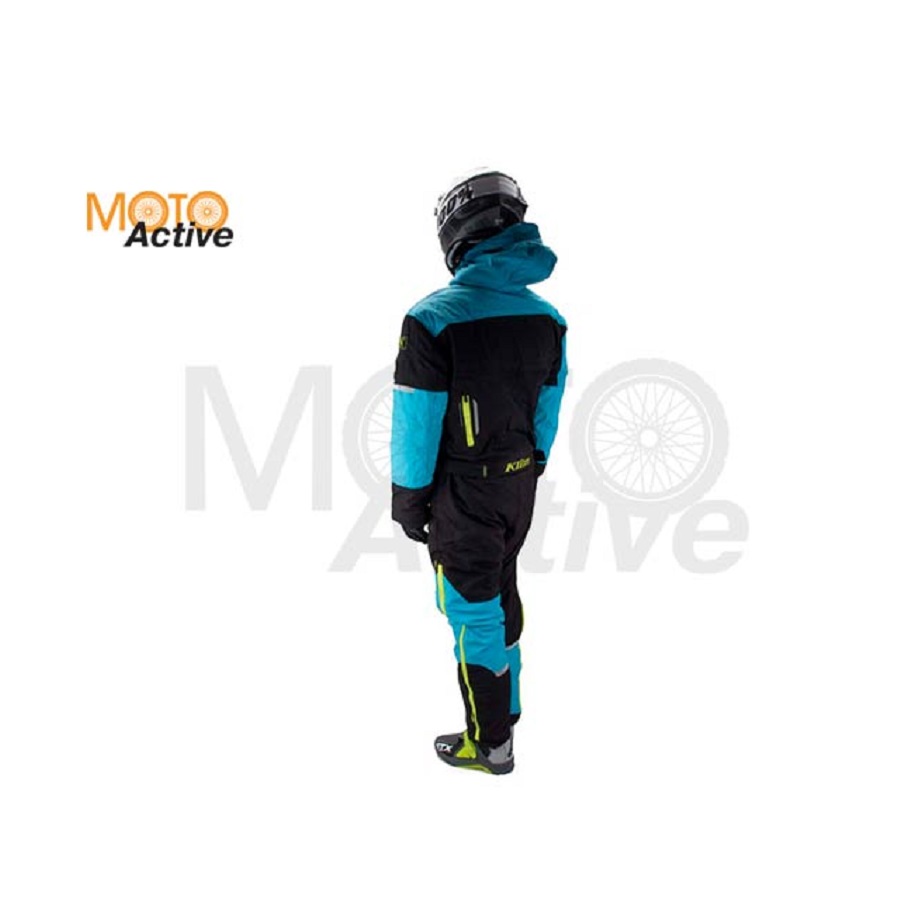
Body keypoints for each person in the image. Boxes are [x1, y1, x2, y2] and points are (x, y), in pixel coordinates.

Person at [390, 170, 568, 775]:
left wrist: (409, 500)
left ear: (455, 235)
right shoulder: (548, 319)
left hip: (464, 492)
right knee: (500, 593)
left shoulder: (433, 319)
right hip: (518, 486)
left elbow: (416, 422)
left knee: (470, 610)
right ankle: (507, 712)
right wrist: (532, 465)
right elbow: (547, 407)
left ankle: (489, 744)